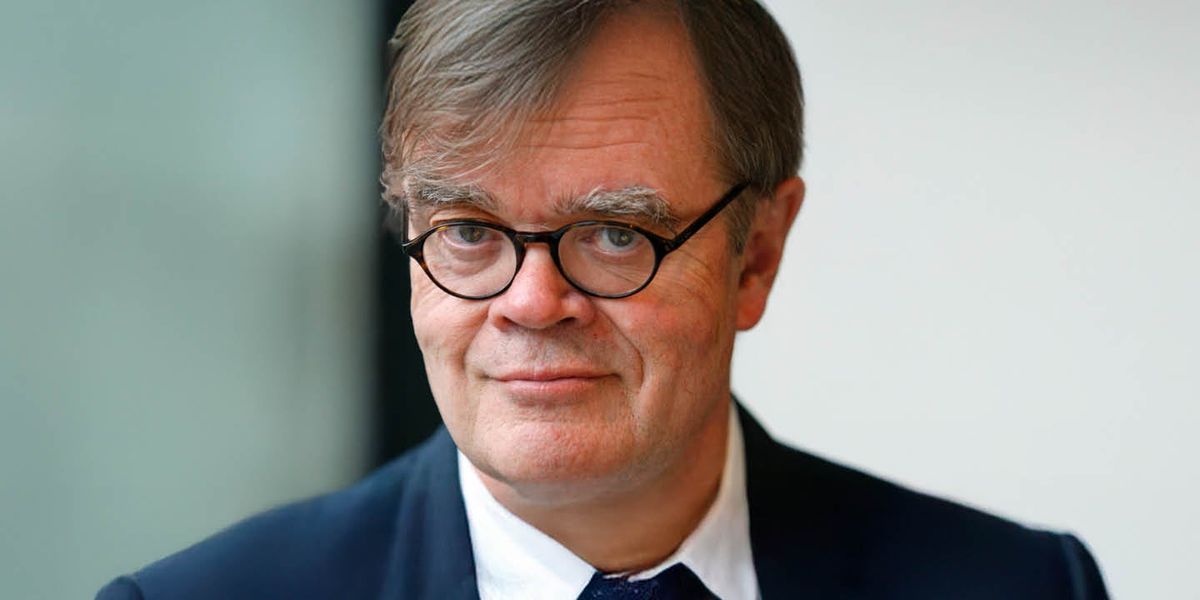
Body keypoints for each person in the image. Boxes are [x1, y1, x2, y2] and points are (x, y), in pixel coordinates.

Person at [98, 1, 1109, 598]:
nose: (532, 303)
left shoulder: (1017, 589)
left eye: (616, 234)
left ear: (756, 255)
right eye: (469, 231)